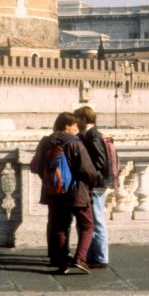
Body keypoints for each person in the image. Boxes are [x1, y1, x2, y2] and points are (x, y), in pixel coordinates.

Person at [30, 111, 100, 274]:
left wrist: (52, 182)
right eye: (74, 124)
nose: (77, 127)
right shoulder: (75, 143)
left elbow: (38, 167)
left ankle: (62, 264)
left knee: (59, 227)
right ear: (66, 125)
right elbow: (87, 170)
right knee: (87, 225)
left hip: (54, 192)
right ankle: (80, 258)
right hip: (76, 192)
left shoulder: (45, 142)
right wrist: (93, 183)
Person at [74, 105, 112, 268]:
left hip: (96, 185)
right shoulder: (89, 135)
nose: (75, 122)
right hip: (95, 184)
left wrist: (90, 180)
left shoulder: (93, 136)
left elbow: (100, 163)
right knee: (92, 220)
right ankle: (91, 254)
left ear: (84, 119)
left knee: (96, 221)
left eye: (77, 118)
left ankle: (101, 257)